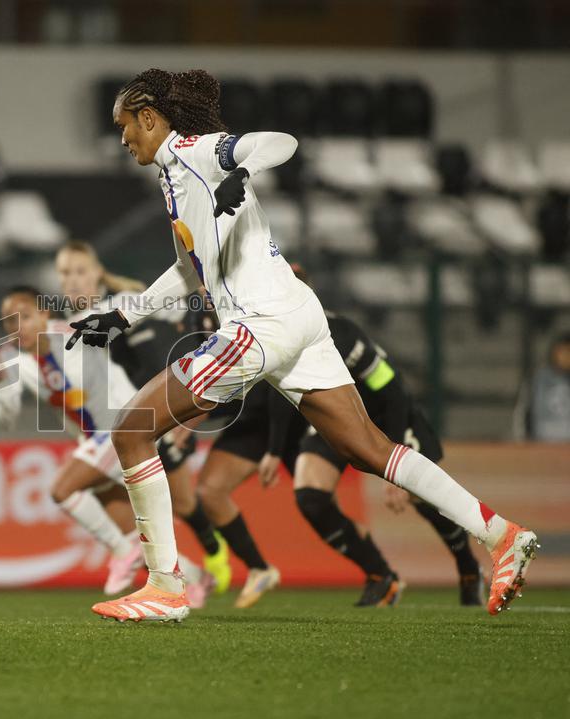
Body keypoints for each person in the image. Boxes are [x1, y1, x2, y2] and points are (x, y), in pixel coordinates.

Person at [65, 68, 537, 622]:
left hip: (257, 326)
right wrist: (125, 313)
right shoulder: (172, 178)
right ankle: (502, 535)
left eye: (125, 126)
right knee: (369, 449)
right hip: (298, 316)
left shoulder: (198, 148)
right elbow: (190, 269)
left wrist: (240, 172)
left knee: (132, 430)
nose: (122, 139)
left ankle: (166, 587)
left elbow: (279, 144)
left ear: (149, 118)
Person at [199, 266, 487, 607]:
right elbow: (280, 394)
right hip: (337, 420)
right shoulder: (275, 334)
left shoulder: (342, 334)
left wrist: (391, 465)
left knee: (422, 498)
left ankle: (468, 566)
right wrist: (275, 450)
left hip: (387, 417)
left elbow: (392, 391)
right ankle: (380, 576)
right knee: (310, 496)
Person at [0, 286, 213, 605]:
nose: (17, 327)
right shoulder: (11, 359)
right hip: (94, 441)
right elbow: (7, 416)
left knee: (62, 490)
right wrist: (0, 386)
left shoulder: (76, 330)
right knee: (134, 535)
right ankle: (196, 576)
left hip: (124, 428)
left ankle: (122, 554)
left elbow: (125, 302)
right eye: (9, 322)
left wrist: (184, 302)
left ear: (44, 313)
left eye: (24, 317)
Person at [55, 241, 232, 593]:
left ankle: (213, 551)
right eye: (65, 273)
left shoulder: (118, 306)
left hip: (150, 417)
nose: (72, 280)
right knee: (135, 521)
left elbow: (176, 308)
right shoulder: (62, 326)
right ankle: (191, 578)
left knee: (181, 503)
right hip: (112, 429)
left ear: (97, 275)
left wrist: (204, 302)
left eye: (80, 271)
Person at [514, 331, 570, 442]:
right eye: (562, 352)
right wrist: (523, 440)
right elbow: (523, 413)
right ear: (554, 353)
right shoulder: (538, 379)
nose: (566, 356)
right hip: (542, 444)